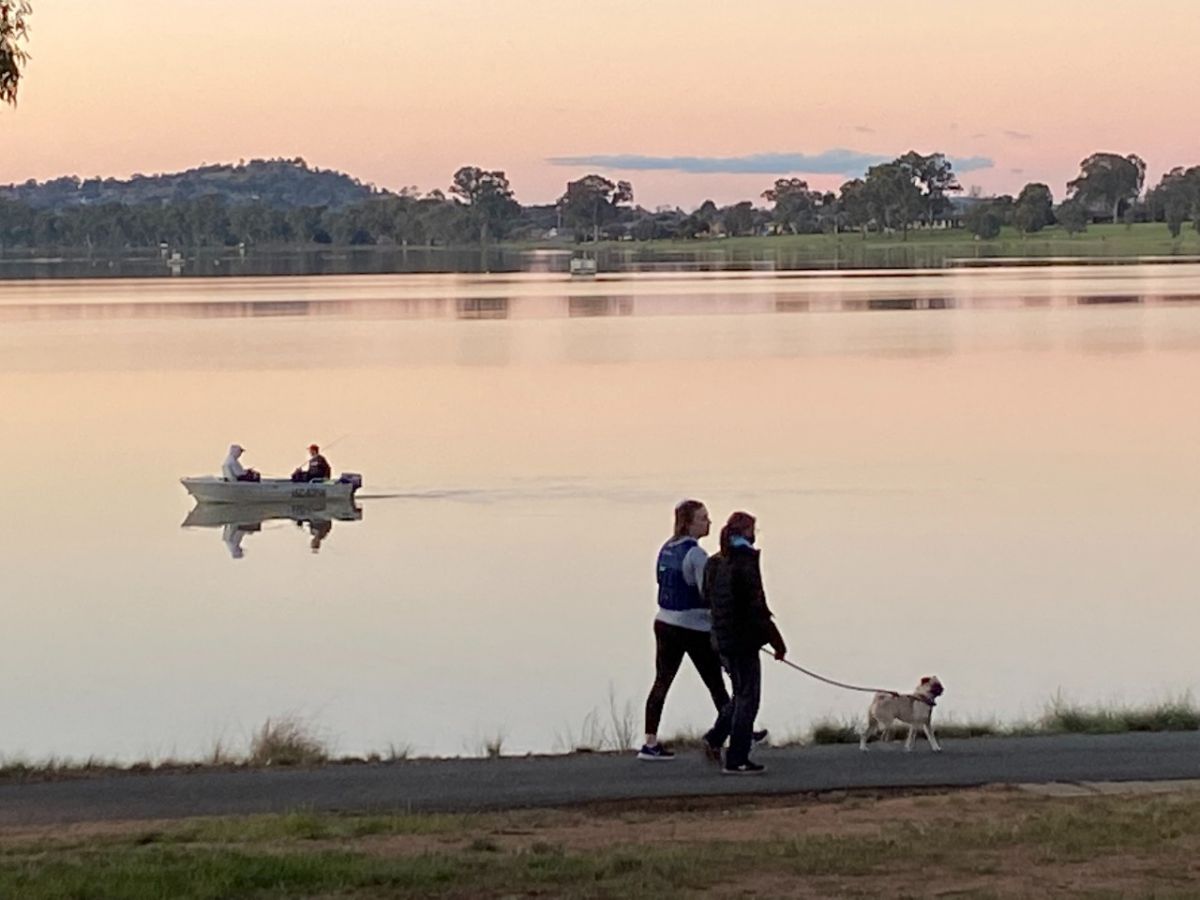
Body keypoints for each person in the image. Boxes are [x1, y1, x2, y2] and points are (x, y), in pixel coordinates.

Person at [637, 500, 733, 761]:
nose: (709, 522)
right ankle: (735, 729)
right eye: (703, 518)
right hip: (693, 626)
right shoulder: (696, 555)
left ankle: (649, 742)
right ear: (689, 523)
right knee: (715, 681)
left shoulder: (666, 548)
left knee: (662, 681)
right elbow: (707, 593)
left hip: (664, 622)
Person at [703, 511, 787, 775]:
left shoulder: (715, 562)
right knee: (748, 698)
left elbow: (707, 597)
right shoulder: (746, 561)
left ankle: (716, 738)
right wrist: (777, 641)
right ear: (747, 532)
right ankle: (737, 759)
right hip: (742, 640)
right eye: (754, 530)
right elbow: (756, 606)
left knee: (740, 694)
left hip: (721, 637)